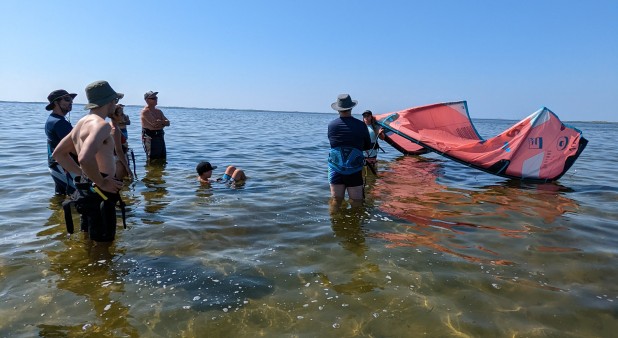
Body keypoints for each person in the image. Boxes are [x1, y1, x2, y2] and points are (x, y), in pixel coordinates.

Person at [52, 80, 125, 242]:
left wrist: (84, 175)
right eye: (115, 100)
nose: (116, 104)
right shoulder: (101, 125)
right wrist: (101, 182)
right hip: (100, 189)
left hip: (86, 187)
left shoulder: (81, 123)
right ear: (109, 101)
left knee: (89, 237)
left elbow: (58, 154)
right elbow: (84, 157)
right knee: (104, 244)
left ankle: (85, 266)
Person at [327, 94, 371, 204]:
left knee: (336, 201)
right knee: (357, 202)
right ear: (351, 108)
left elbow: (333, 144)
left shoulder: (332, 125)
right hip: (354, 168)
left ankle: (335, 220)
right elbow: (367, 146)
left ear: (338, 110)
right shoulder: (361, 125)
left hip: (336, 167)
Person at [45, 89, 78, 195]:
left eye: (71, 99)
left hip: (56, 166)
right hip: (64, 167)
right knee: (78, 199)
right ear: (56, 102)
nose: (71, 102)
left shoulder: (52, 119)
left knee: (61, 198)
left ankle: (58, 211)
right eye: (67, 99)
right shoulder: (59, 123)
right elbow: (74, 149)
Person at [141, 91, 170, 162]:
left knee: (162, 158)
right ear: (147, 100)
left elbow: (168, 123)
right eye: (153, 98)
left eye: (156, 98)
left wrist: (161, 122)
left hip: (160, 135)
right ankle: (151, 172)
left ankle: (160, 172)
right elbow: (154, 125)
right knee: (152, 159)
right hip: (150, 137)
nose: (156, 99)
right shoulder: (145, 111)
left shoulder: (158, 111)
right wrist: (163, 123)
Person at [110, 104, 133, 180]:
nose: (122, 116)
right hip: (118, 159)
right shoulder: (115, 130)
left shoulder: (111, 126)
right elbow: (118, 150)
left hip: (118, 157)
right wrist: (127, 167)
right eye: (120, 114)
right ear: (114, 115)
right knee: (120, 184)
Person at [361, 110, 384, 174]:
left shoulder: (375, 127)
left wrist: (380, 133)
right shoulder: (360, 126)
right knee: (363, 173)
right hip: (362, 153)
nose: (366, 117)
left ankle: (372, 183)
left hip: (372, 153)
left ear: (371, 117)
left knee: (372, 171)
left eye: (368, 115)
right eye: (364, 116)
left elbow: (382, 138)